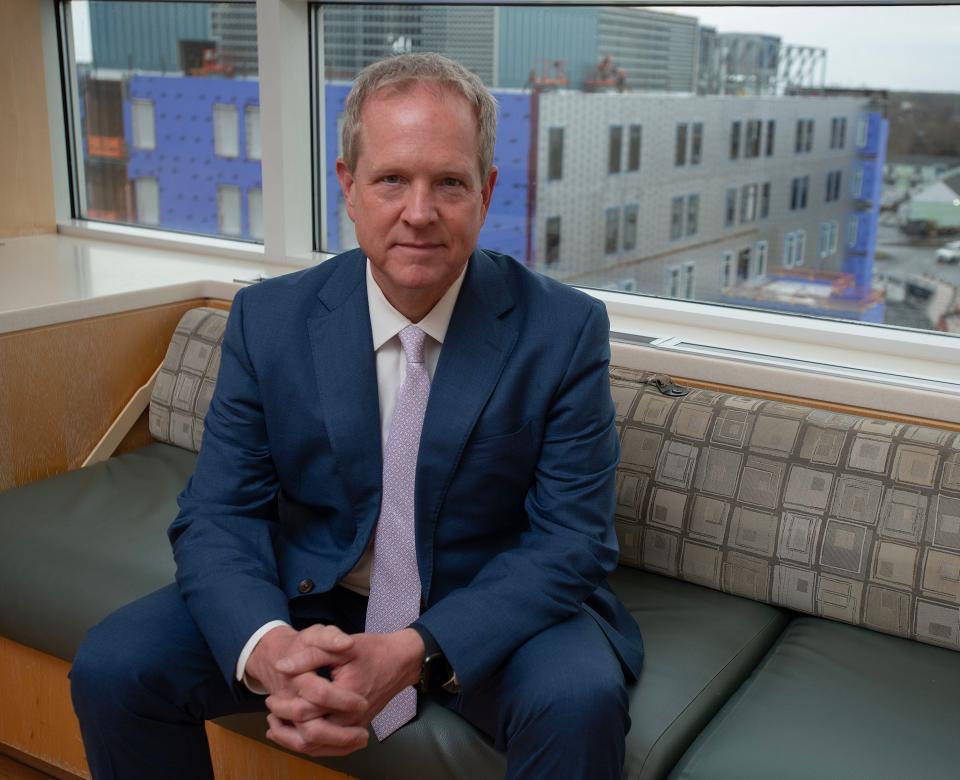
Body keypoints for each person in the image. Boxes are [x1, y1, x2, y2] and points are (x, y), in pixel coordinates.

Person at [70, 52, 643, 779]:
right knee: (115, 665)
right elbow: (219, 515)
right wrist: (270, 647)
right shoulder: (268, 320)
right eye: (392, 179)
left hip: (483, 601)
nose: (419, 212)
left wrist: (412, 650)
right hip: (316, 591)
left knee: (578, 700)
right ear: (348, 186)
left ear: (487, 191)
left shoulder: (562, 330)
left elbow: (573, 541)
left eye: (450, 183)